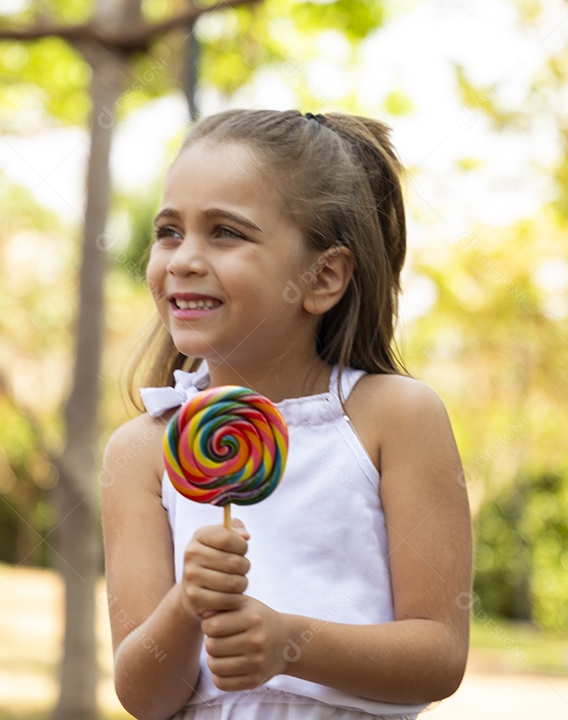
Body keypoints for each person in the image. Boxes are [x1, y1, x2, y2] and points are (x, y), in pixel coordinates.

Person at [101, 109, 472, 720]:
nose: (184, 259)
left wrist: (287, 643)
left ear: (323, 276)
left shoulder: (394, 418)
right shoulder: (144, 450)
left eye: (226, 232)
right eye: (169, 231)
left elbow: (438, 654)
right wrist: (187, 603)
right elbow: (143, 697)